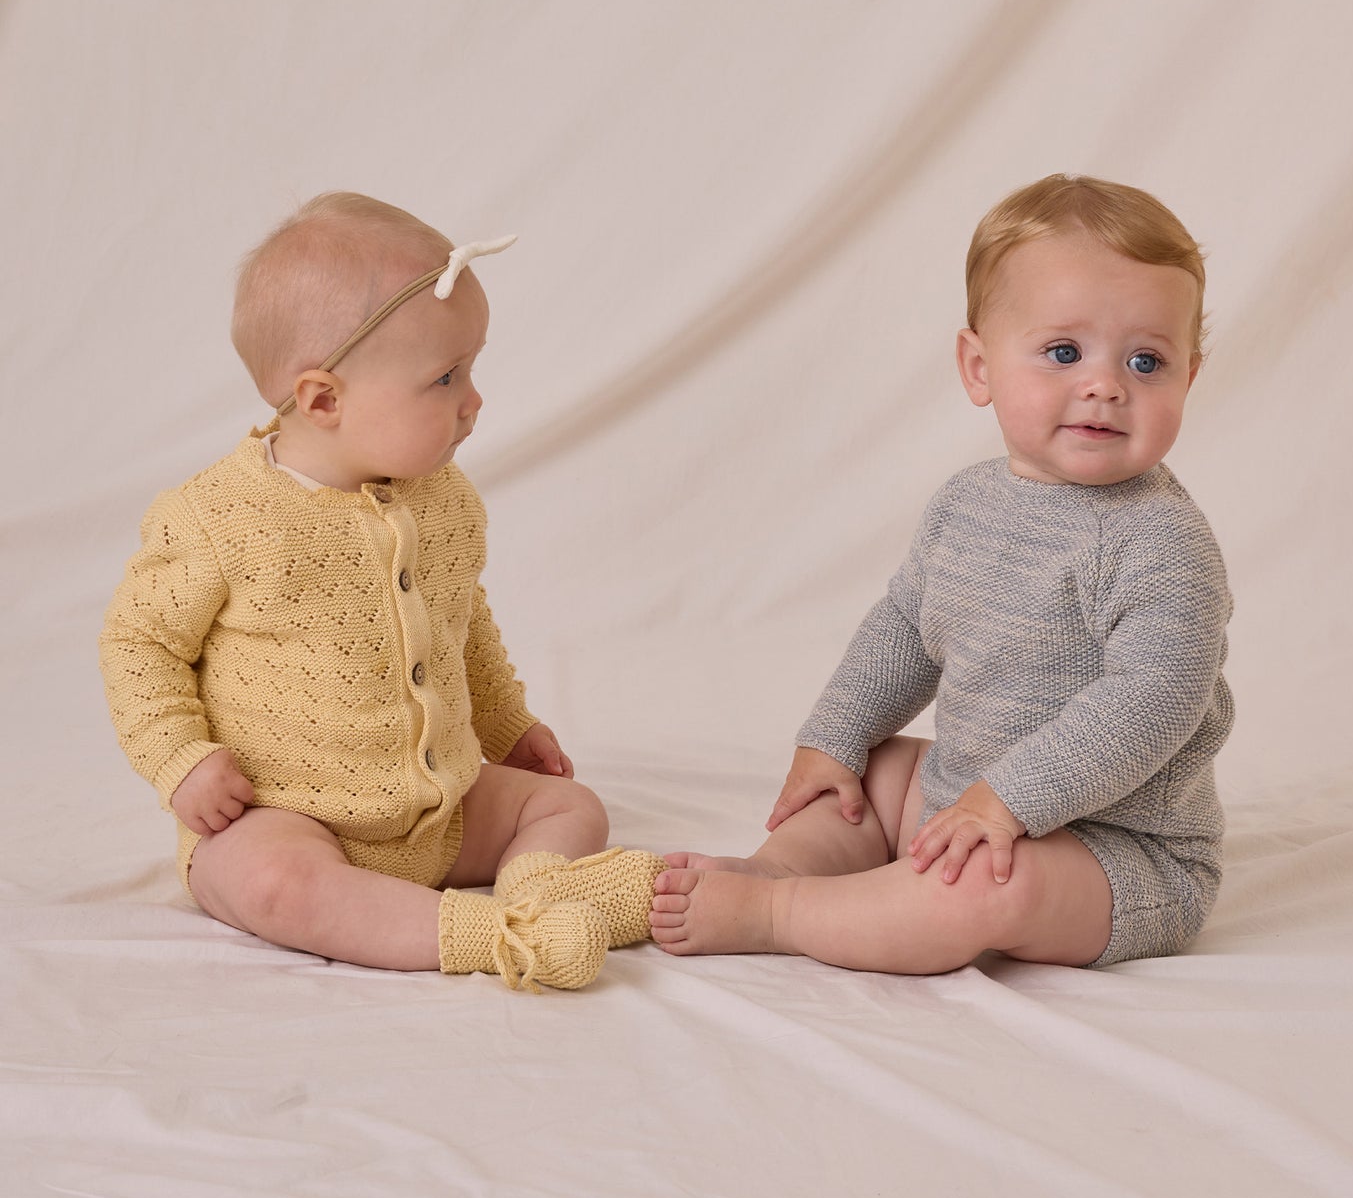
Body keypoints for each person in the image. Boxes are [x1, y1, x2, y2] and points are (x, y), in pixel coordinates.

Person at [650, 173, 1234, 974]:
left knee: (986, 886)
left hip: (1115, 853)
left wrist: (1008, 801)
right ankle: (780, 870)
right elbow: (903, 628)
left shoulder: (1161, 540)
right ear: (978, 367)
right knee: (873, 770)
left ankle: (782, 914)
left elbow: (1153, 700)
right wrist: (833, 736)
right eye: (1063, 353)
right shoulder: (964, 504)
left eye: (1146, 361)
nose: (1104, 385)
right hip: (968, 796)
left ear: (1187, 379)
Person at [100, 192, 662, 990]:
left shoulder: (443, 497)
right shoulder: (220, 518)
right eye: (445, 378)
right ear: (324, 399)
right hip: (285, 815)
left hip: (440, 811)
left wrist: (504, 724)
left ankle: (536, 890)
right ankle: (495, 937)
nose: (473, 400)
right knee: (271, 885)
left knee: (570, 807)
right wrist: (179, 760)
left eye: (470, 368)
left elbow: (462, 622)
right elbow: (140, 644)